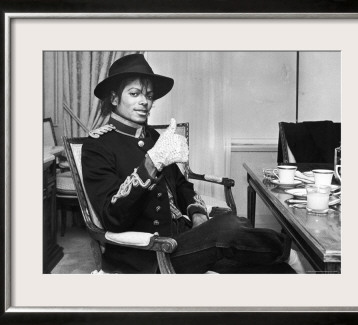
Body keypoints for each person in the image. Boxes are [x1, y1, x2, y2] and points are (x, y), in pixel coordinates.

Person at [82, 53, 304, 274]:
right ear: (113, 98)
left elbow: (180, 185)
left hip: (183, 240)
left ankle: (288, 265)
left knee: (276, 269)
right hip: (149, 256)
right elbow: (112, 217)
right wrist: (150, 163)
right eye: (134, 93)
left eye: (149, 96)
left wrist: (197, 214)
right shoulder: (97, 146)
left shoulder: (152, 136)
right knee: (230, 227)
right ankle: (287, 251)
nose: (145, 101)